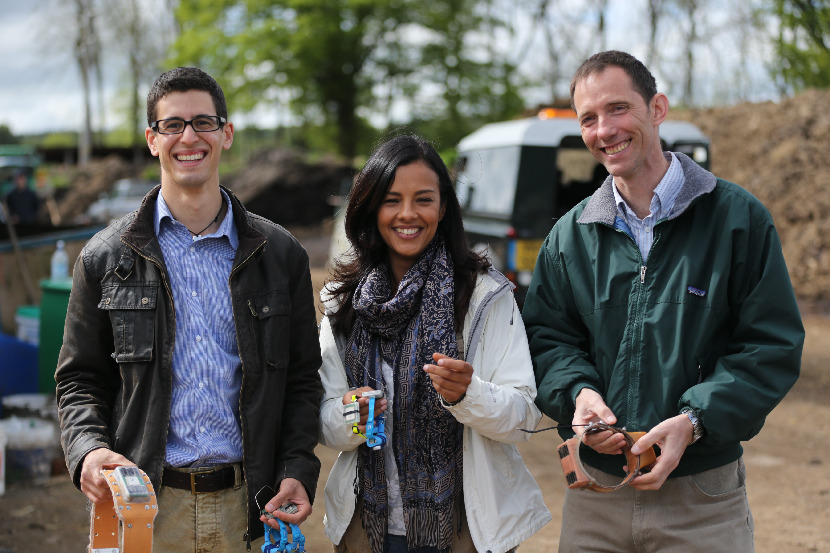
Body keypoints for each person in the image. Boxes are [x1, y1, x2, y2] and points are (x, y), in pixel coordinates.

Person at [522, 50, 804, 552]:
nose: (604, 130)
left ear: (657, 108)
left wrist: (695, 421)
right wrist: (580, 396)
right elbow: (547, 339)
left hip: (701, 500)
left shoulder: (739, 221)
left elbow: (770, 346)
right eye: (589, 118)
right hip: (596, 499)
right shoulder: (569, 236)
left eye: (618, 109)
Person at [55, 67, 323, 552]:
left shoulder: (281, 255)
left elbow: (303, 379)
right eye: (172, 125)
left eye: (203, 122)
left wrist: (298, 469)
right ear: (152, 140)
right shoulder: (103, 258)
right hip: (146, 509)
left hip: (253, 504)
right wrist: (88, 450)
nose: (189, 137)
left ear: (227, 133)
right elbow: (79, 379)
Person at [318, 134, 551, 553]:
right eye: (392, 200)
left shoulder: (484, 297)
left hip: (464, 531)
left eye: (423, 199)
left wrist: (469, 394)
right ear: (371, 207)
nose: (407, 214)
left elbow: (523, 418)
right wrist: (355, 412)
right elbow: (324, 425)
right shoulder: (343, 303)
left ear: (443, 207)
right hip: (368, 531)